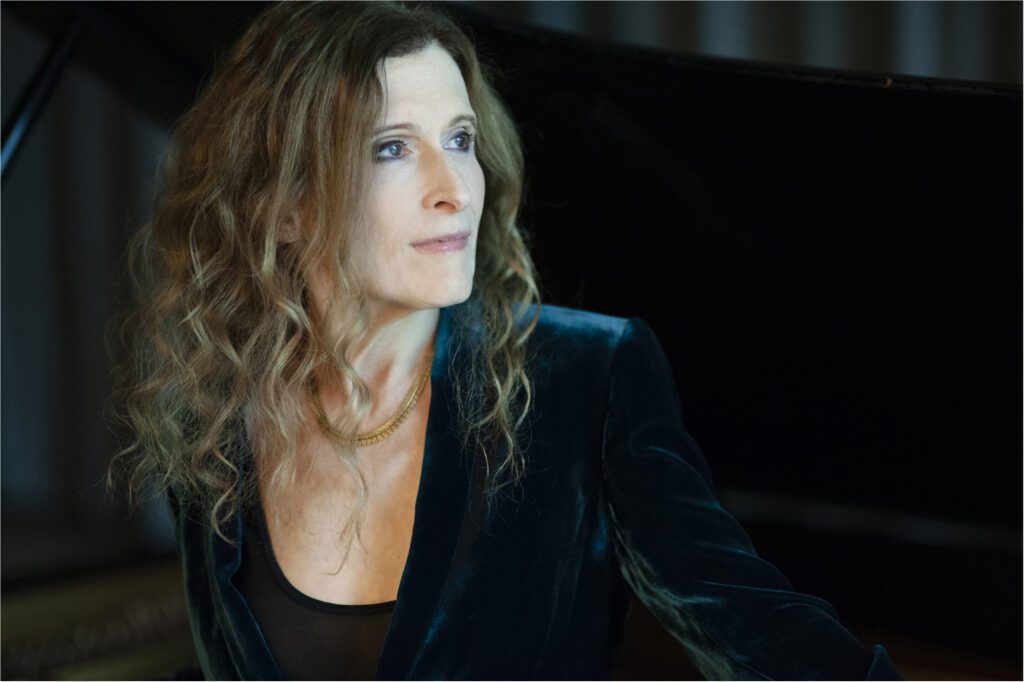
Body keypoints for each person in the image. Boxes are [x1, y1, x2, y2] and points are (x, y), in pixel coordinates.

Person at [110, 2, 902, 680]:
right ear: (285, 206)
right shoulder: (214, 419)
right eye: (393, 148)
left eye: (460, 139)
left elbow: (760, 633)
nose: (455, 188)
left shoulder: (587, 377)